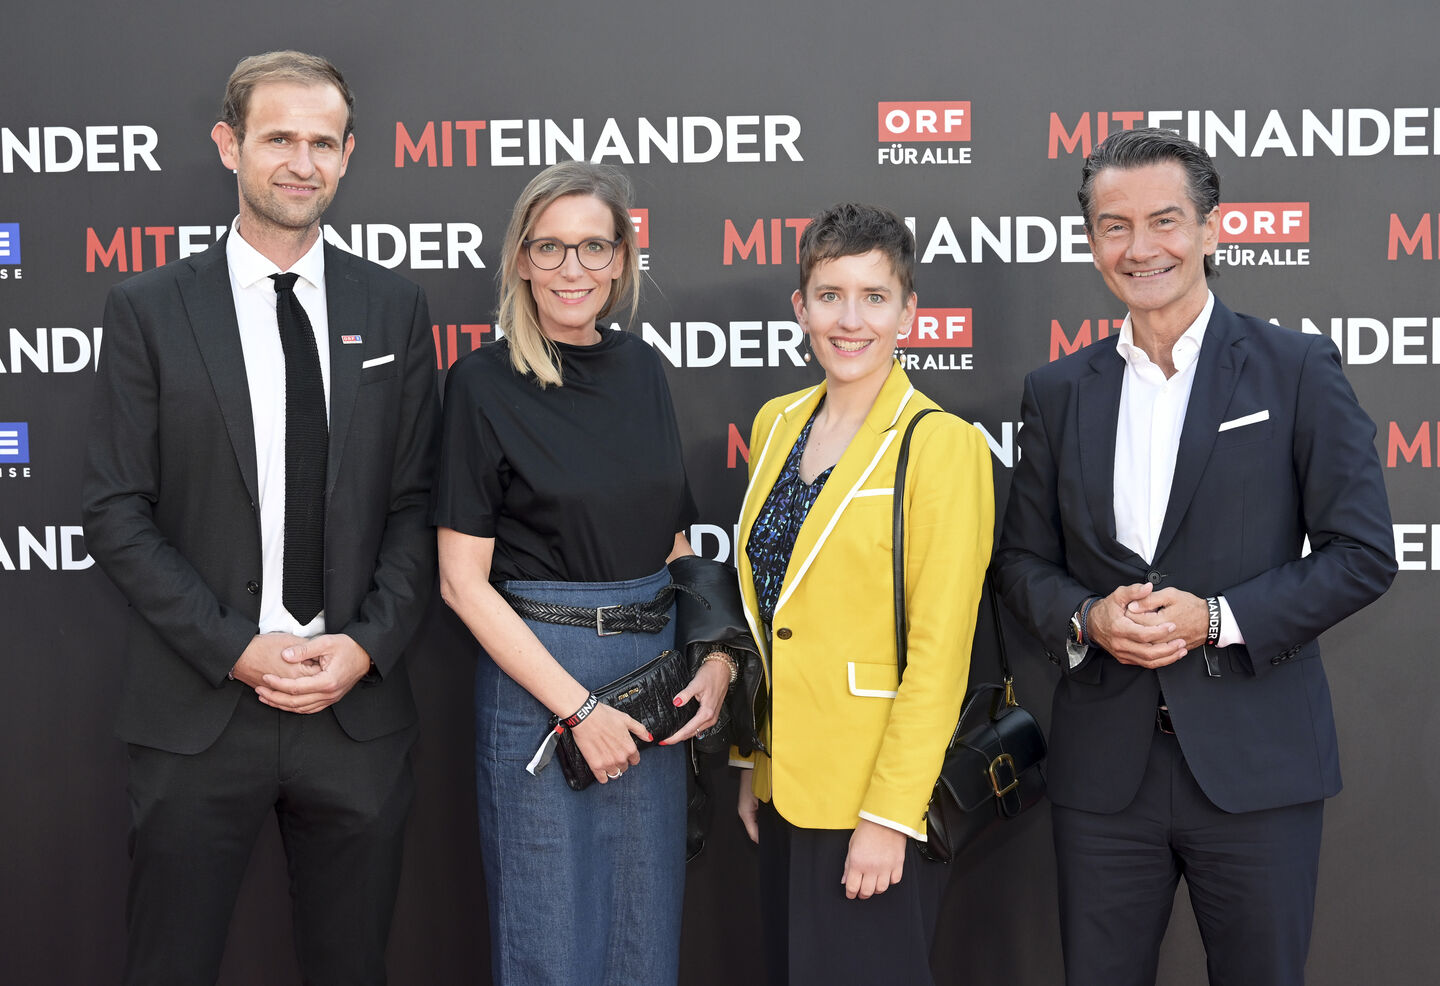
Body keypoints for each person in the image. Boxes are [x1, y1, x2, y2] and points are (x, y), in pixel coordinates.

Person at [994, 128, 1396, 986]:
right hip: (1105, 776)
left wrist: (1218, 619)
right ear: (1093, 242)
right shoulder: (1057, 392)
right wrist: (1087, 617)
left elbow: (1362, 552)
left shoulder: (1295, 368)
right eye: (1115, 226)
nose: (1141, 248)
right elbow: (1021, 561)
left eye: (1165, 221)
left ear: (1212, 229)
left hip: (1258, 766)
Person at [80, 51, 437, 985]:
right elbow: (115, 509)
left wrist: (365, 646)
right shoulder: (148, 308)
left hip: (353, 712)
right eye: (279, 138)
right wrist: (233, 646)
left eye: (323, 142)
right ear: (228, 144)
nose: (301, 163)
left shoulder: (394, 308)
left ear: (349, 154)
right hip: (199, 709)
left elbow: (416, 503)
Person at [433, 160, 733, 986]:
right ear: (521, 259)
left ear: (621, 259)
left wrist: (714, 656)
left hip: (652, 683)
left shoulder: (642, 369)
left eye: (593, 247)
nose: (574, 269)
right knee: (550, 943)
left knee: (643, 937)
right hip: (543, 687)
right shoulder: (480, 383)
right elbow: (461, 582)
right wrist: (579, 710)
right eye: (551, 248)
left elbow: (675, 541)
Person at [732, 203, 994, 985]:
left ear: (908, 313)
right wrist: (751, 760)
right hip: (783, 787)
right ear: (801, 308)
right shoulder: (776, 423)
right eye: (830, 295)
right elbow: (771, 616)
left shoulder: (940, 444)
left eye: (874, 297)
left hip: (873, 801)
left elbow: (940, 654)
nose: (851, 321)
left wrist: (889, 816)